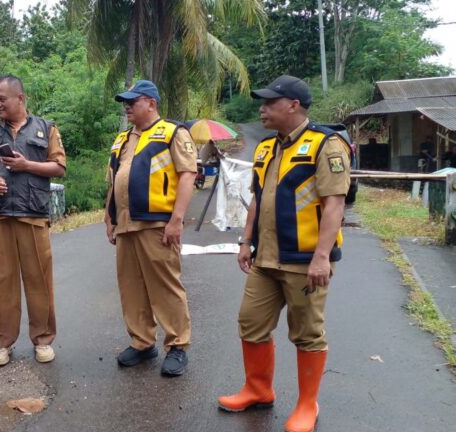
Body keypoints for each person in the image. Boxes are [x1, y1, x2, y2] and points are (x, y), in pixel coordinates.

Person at [217, 75, 351, 432]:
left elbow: (335, 204)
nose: (262, 109)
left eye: (269, 102)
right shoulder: (265, 148)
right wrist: (245, 242)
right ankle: (258, 389)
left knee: (307, 332)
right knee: (250, 322)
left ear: (293, 105)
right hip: (265, 258)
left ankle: (308, 404)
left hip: (305, 261)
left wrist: (322, 257)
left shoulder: (327, 145)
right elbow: (257, 199)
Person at [0, 74, 66, 367]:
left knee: (39, 281)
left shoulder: (45, 129)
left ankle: (43, 340)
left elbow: (59, 167)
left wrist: (27, 165)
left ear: (20, 99)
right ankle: (1, 344)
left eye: (2, 99)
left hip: (33, 216)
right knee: (0, 284)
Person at [104, 80, 196, 377]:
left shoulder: (173, 133)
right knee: (131, 286)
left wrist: (177, 220)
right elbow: (114, 180)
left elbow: (187, 175)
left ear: (151, 103)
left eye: (133, 101)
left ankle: (178, 345)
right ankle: (142, 342)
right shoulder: (121, 139)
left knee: (165, 285)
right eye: (125, 102)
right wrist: (109, 217)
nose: (127, 106)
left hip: (157, 222)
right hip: (126, 224)